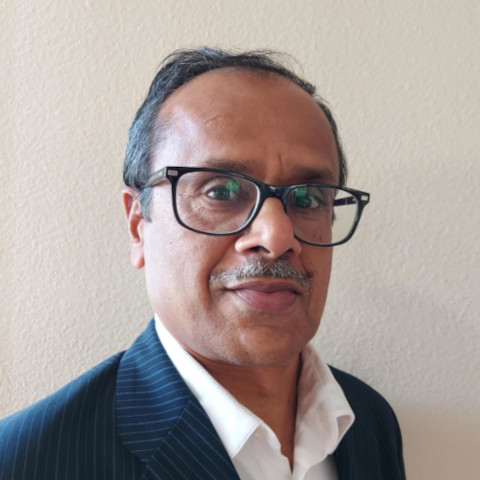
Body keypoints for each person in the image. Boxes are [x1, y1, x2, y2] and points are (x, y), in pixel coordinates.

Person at [0, 48, 406, 479]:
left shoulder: (368, 421)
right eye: (221, 192)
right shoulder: (27, 461)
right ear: (138, 225)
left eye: (307, 199)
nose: (276, 237)